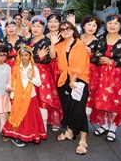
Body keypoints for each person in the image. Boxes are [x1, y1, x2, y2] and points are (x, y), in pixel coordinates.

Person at [90, 15, 121, 142]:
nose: (112, 26)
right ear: (106, 25)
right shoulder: (100, 39)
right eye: (110, 23)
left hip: (119, 77)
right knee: (102, 100)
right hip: (102, 75)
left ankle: (113, 128)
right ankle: (104, 125)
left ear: (120, 26)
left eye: (116, 24)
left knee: (116, 102)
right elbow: (92, 55)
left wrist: (112, 62)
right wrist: (99, 60)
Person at [49, 21, 90, 155]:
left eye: (68, 28)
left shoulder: (80, 45)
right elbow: (53, 56)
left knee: (79, 110)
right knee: (68, 109)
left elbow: (81, 63)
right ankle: (70, 132)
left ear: (73, 30)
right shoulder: (60, 45)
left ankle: (83, 141)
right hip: (63, 80)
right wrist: (53, 43)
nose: (65, 30)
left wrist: (74, 78)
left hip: (79, 79)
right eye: (63, 29)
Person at [2, 46, 47, 147]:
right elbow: (13, 83)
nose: (24, 57)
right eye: (22, 55)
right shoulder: (17, 68)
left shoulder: (34, 68)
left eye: (26, 55)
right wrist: (12, 96)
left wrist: (31, 78)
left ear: (30, 56)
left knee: (30, 118)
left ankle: (30, 135)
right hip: (18, 97)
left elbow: (39, 83)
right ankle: (16, 135)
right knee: (17, 115)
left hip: (30, 97)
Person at [29, 15, 63, 132]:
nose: (36, 28)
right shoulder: (28, 41)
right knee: (31, 100)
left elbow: (51, 57)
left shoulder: (47, 41)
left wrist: (41, 57)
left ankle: (43, 127)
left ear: (44, 28)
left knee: (43, 99)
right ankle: (33, 124)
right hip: (29, 73)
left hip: (42, 74)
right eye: (34, 26)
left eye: (39, 26)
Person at [79, 15, 102, 118]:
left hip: (91, 73)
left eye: (94, 25)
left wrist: (91, 55)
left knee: (88, 96)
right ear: (83, 26)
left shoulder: (99, 41)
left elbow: (100, 60)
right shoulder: (76, 38)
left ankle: (84, 123)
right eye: (89, 24)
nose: (91, 27)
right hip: (75, 71)